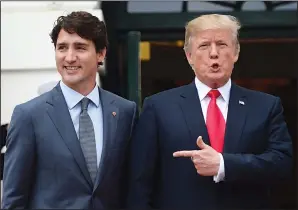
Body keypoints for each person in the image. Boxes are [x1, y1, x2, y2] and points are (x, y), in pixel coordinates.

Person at [126, 14, 293, 210]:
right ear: (189, 56)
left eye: (222, 44)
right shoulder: (159, 106)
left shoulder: (265, 106)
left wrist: (224, 165)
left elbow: (282, 164)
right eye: (204, 46)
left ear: (236, 53)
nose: (214, 53)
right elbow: (139, 183)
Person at [2, 11, 137, 209]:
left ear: (101, 53)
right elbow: (14, 199)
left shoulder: (125, 112)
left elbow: (130, 186)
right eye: (62, 48)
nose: (69, 57)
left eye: (80, 48)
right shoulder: (29, 116)